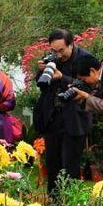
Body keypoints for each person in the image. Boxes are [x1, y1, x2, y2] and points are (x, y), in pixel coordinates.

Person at [33, 29, 97, 196]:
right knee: (52, 165)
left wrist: (62, 77)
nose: (58, 55)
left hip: (74, 120)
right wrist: (42, 70)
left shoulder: (84, 59)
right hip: (52, 118)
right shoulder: (52, 58)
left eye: (61, 50)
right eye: (54, 50)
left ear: (71, 44)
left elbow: (88, 86)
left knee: (70, 167)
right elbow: (41, 84)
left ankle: (70, 205)